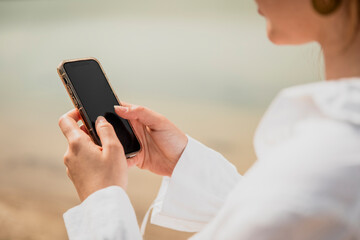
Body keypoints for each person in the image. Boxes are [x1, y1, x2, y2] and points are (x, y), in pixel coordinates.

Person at [58, 0, 360, 239]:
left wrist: (101, 197)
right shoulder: (335, 153)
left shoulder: (332, 160)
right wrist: (182, 162)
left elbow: (304, 203)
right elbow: (290, 218)